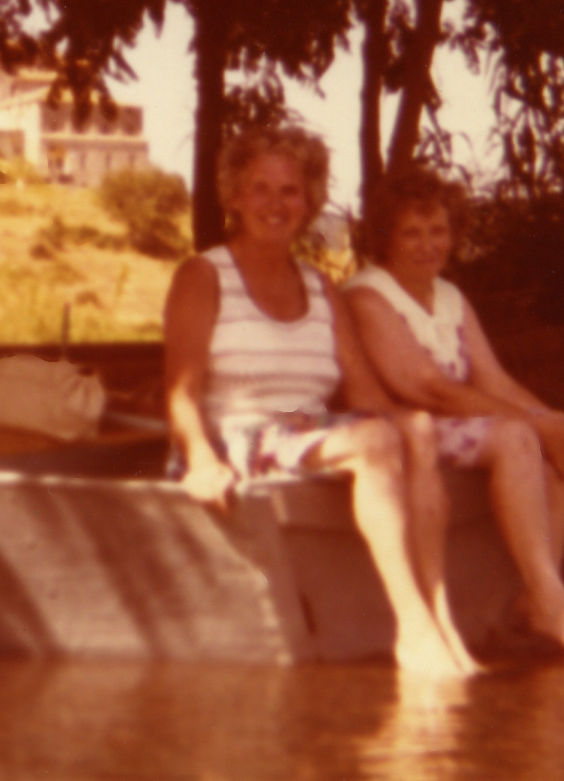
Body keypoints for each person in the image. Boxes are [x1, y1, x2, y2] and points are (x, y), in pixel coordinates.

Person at [164, 125, 477, 677]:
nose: (276, 204)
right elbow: (180, 393)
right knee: (374, 439)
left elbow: (365, 393)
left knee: (415, 428)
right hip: (231, 435)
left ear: (308, 201)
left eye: (290, 190)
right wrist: (201, 461)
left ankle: (440, 613)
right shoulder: (204, 275)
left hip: (304, 429)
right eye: (259, 189)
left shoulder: (320, 286)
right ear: (234, 197)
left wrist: (419, 425)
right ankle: (413, 627)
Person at [344, 167, 564, 656]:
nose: (428, 245)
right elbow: (427, 389)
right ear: (385, 236)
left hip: (450, 425)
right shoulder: (368, 295)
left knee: (558, 440)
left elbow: (492, 379)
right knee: (518, 436)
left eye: (438, 231)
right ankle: (551, 604)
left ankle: (541, 596)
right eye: (411, 232)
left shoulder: (449, 297)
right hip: (401, 427)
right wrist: (534, 425)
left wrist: (554, 422)